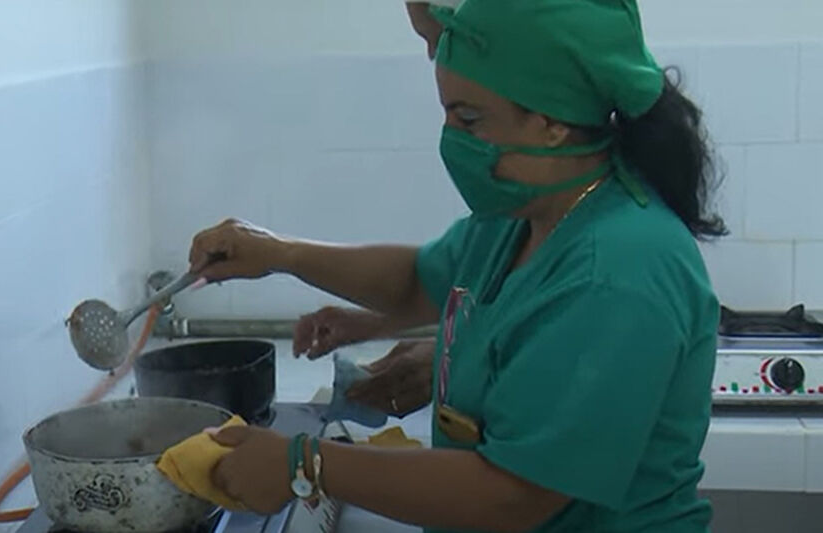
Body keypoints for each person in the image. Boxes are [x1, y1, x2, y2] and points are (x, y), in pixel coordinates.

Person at [189, 1, 724, 531]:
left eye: (469, 118)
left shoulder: (617, 270)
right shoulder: (522, 214)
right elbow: (417, 281)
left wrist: (304, 463)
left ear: (552, 124)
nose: (451, 137)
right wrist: (280, 254)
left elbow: (513, 497)